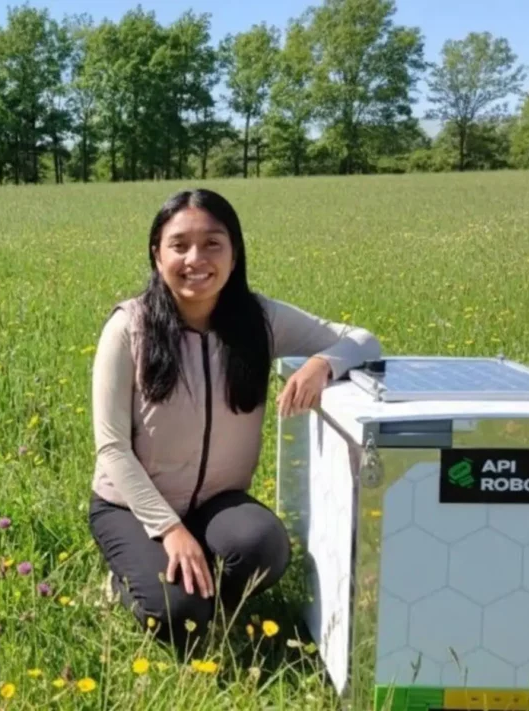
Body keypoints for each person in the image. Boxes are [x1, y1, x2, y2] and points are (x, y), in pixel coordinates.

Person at [87, 188, 381, 658]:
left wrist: (322, 364)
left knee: (265, 547)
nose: (195, 259)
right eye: (179, 245)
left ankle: (201, 590)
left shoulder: (258, 319)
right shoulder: (128, 327)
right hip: (132, 509)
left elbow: (363, 341)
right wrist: (170, 530)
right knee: (179, 616)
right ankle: (132, 582)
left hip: (215, 503)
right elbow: (112, 449)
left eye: (212, 244)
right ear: (157, 254)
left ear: (235, 253)